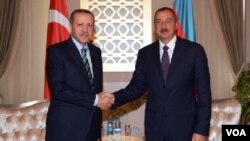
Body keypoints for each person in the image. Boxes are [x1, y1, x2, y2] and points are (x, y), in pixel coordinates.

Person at [109, 7, 212, 141]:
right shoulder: (145, 54)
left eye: (168, 21)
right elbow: (136, 88)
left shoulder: (194, 51)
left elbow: (204, 95)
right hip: (155, 129)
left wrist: (201, 130)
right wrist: (112, 98)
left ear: (176, 25)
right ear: (154, 26)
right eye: (158, 22)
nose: (163, 25)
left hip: (185, 129)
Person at [45, 9, 114, 141]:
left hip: (92, 128)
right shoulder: (57, 51)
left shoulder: (96, 52)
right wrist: (95, 100)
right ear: (71, 26)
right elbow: (58, 90)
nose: (85, 30)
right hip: (66, 129)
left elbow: (95, 88)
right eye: (80, 25)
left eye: (89, 25)